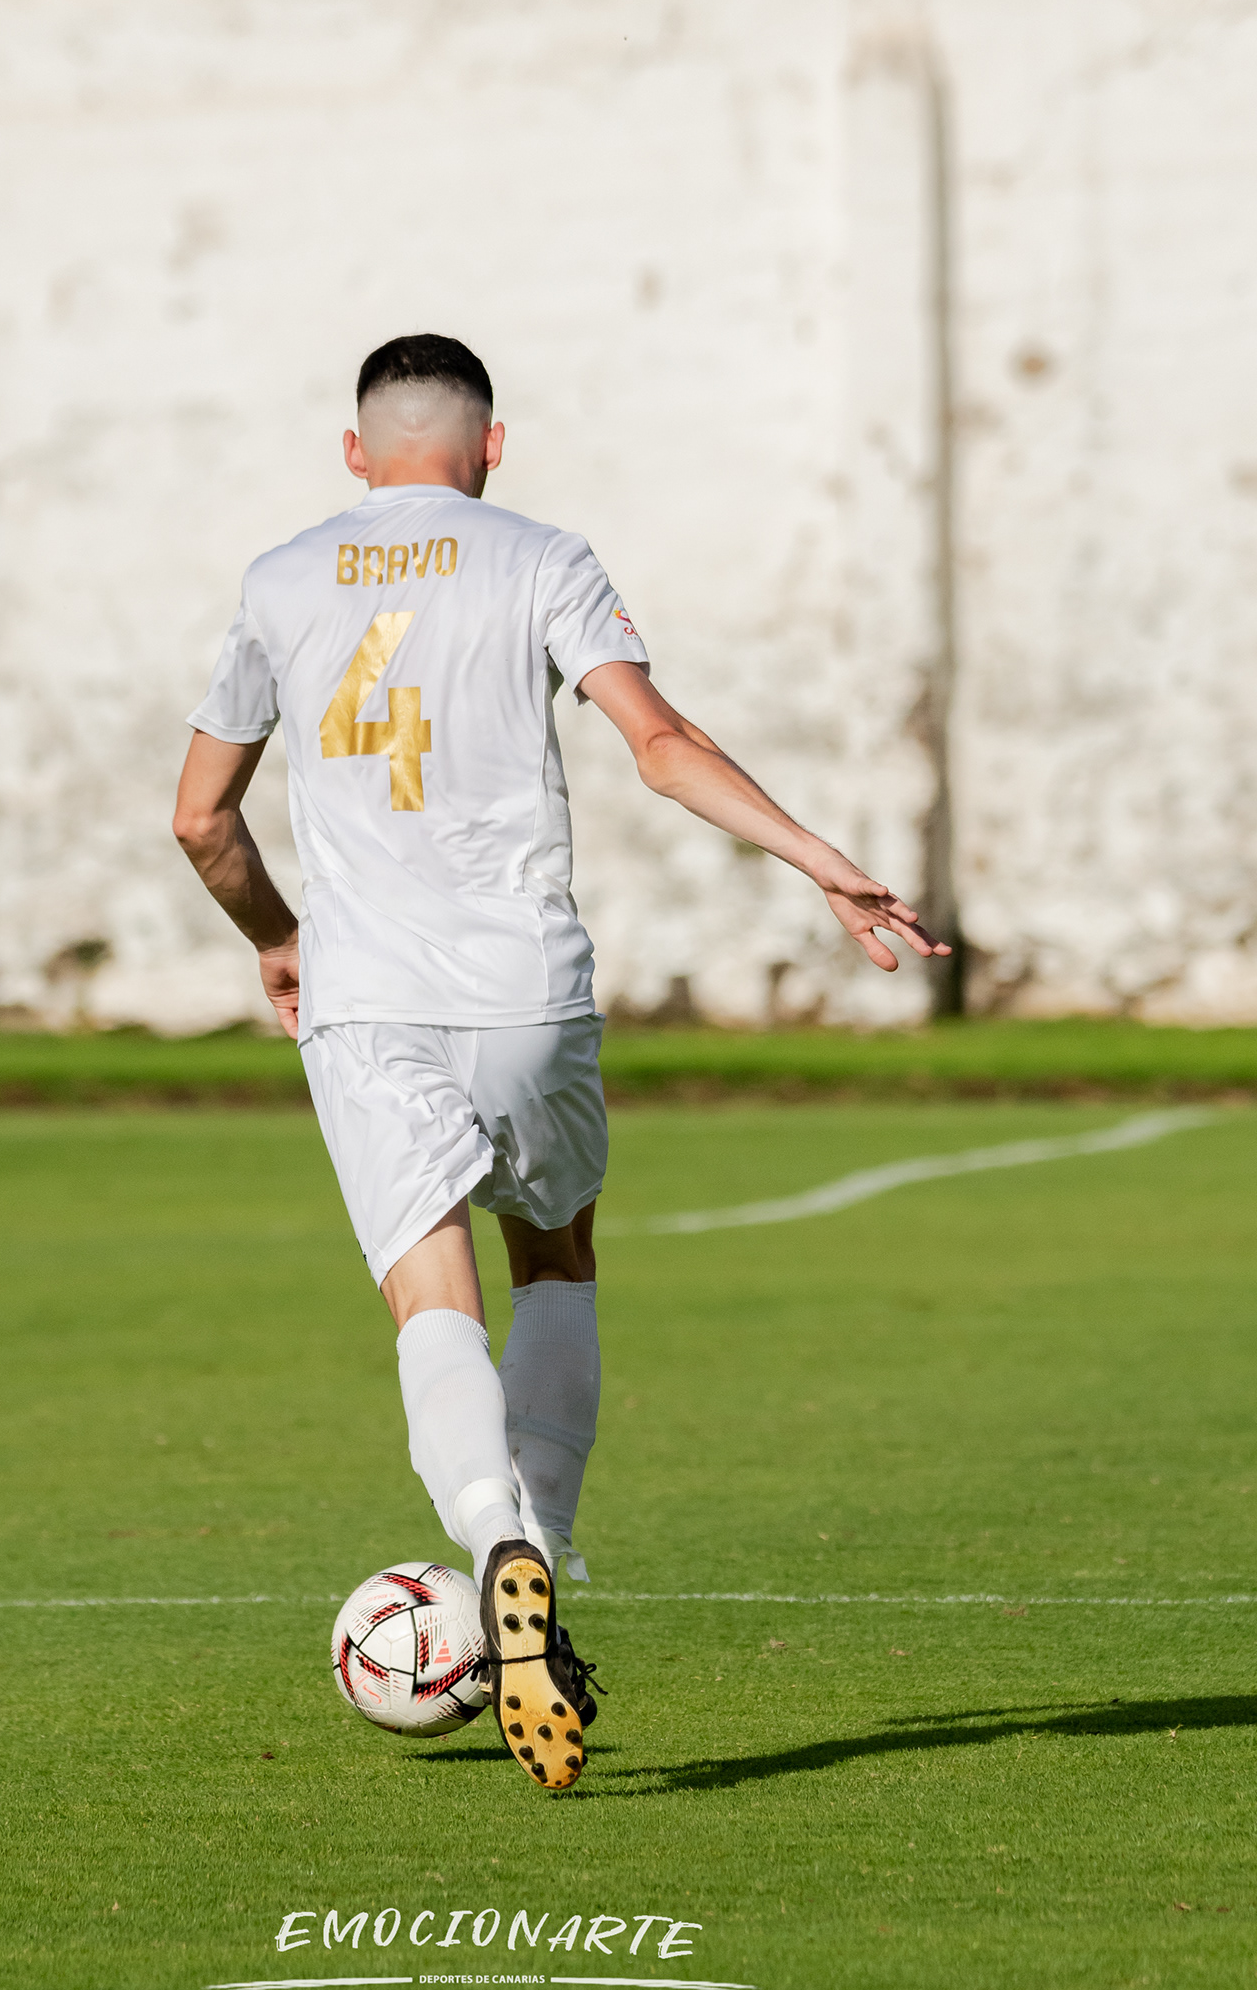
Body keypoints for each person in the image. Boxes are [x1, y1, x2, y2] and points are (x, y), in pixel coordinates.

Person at [173, 334, 948, 1791]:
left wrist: (278, 938)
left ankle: (498, 1546)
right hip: (521, 982)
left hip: (368, 997)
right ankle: (548, 1554)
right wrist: (820, 862)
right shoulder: (541, 556)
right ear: (492, 446)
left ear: (355, 453)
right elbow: (658, 743)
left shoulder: (279, 580)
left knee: (432, 1301)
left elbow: (201, 820)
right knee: (556, 1255)